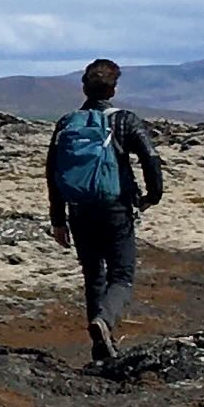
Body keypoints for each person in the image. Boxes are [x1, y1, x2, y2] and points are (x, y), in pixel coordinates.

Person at [44, 59, 164, 362]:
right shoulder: (124, 120)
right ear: (113, 88)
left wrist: (58, 220)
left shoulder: (67, 122)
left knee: (93, 275)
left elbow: (53, 172)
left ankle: (100, 349)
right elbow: (150, 158)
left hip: (79, 209)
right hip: (116, 208)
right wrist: (153, 195)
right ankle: (105, 322)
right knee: (121, 275)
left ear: (84, 87)